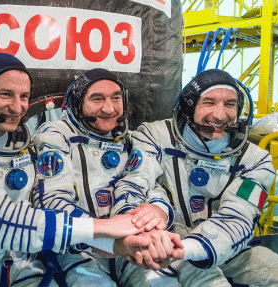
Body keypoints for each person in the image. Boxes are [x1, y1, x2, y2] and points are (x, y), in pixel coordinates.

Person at [0, 54, 153, 287]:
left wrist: (116, 246)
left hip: (26, 272)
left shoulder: (29, 153)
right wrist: (103, 227)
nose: (17, 107)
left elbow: (45, 219)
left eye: (24, 97)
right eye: (5, 94)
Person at [113, 69, 278, 286]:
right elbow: (136, 182)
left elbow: (239, 217)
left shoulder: (255, 159)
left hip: (227, 246)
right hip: (159, 240)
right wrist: (131, 232)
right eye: (209, 102)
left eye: (230, 104)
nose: (220, 115)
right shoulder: (156, 136)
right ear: (188, 107)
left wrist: (188, 248)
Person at [28, 68, 183, 287]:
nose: (109, 109)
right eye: (97, 99)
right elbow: (50, 203)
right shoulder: (55, 136)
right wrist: (109, 232)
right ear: (77, 103)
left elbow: (153, 185)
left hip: (131, 241)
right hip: (79, 249)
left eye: (116, 98)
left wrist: (158, 210)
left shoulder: (132, 140)